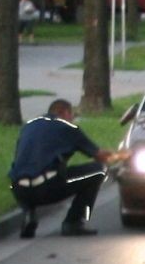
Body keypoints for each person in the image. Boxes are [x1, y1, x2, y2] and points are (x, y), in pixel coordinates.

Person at [8, 99, 117, 238]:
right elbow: (100, 156)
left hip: (19, 189)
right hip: (47, 188)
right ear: (64, 112)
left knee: (25, 176)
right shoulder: (68, 128)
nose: (72, 119)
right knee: (99, 170)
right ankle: (74, 222)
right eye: (72, 115)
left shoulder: (28, 126)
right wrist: (120, 155)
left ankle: (29, 214)